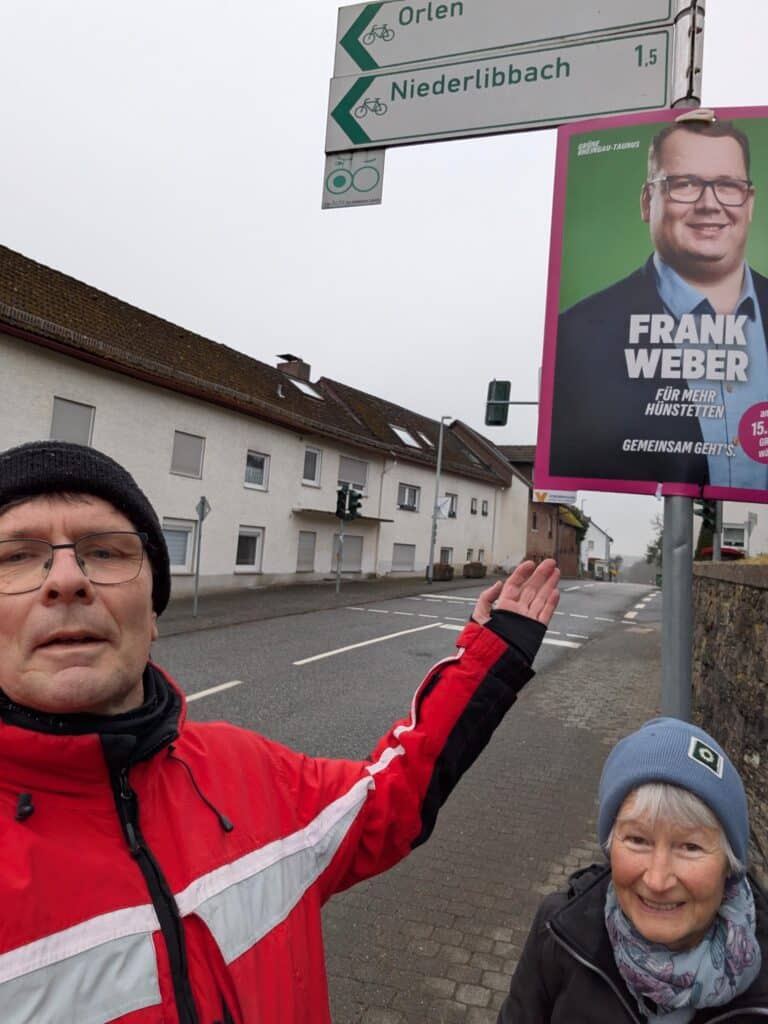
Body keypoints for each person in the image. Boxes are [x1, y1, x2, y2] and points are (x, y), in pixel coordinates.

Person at [0, 439, 560, 1024]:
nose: (65, 579)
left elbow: (390, 799)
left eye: (105, 552)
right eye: (15, 556)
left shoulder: (248, 771)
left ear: (154, 613)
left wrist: (493, 655)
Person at [497, 717, 768, 1022]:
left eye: (690, 847)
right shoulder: (558, 933)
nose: (657, 879)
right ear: (611, 846)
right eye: (638, 840)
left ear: (729, 864)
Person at [550, 118, 768, 490]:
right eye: (685, 184)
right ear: (648, 201)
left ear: (749, 203)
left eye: (728, 186)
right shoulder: (575, 335)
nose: (709, 205)